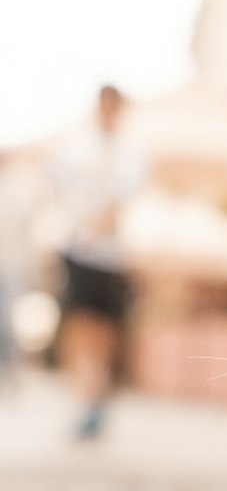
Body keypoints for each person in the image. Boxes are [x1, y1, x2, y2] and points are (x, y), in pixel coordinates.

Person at [50, 86, 146, 437]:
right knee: (79, 325)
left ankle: (96, 395)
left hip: (110, 256)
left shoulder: (130, 151)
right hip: (79, 250)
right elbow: (60, 190)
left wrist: (100, 222)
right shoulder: (76, 147)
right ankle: (87, 394)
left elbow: (124, 198)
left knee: (104, 330)